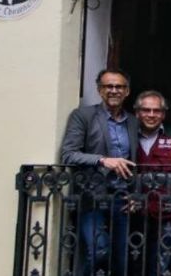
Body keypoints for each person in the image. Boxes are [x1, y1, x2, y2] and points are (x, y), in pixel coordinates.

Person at [60, 68, 139, 276]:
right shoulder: (83, 115)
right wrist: (103, 160)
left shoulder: (133, 121)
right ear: (99, 90)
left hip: (122, 199)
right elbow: (68, 155)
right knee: (98, 250)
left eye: (119, 86)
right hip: (92, 197)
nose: (114, 90)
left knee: (121, 260)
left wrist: (135, 193)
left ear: (127, 91)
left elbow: (135, 162)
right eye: (108, 86)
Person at [133, 90, 171, 276]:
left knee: (162, 264)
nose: (151, 115)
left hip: (168, 214)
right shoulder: (127, 136)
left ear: (163, 114)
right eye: (146, 110)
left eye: (156, 111)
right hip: (135, 213)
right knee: (133, 262)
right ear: (137, 113)